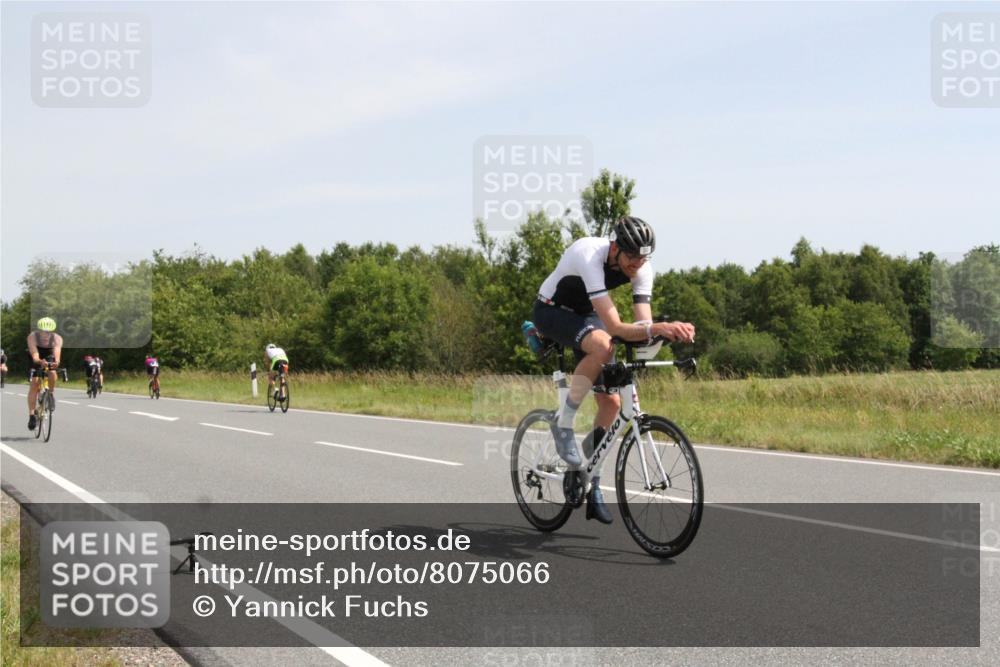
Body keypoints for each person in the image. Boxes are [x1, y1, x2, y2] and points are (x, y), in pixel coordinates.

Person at [533, 216, 695, 523]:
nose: (637, 264)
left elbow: (643, 325)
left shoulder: (642, 268)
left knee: (612, 403)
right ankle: (563, 422)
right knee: (604, 346)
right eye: (632, 256)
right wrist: (657, 327)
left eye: (643, 258)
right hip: (552, 310)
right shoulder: (589, 255)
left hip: (585, 315)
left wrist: (669, 332)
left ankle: (591, 481)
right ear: (615, 248)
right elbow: (617, 327)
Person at [26, 317, 64, 430]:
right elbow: (35, 354)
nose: (45, 334)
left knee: (52, 372)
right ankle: (31, 415)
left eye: (48, 332)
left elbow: (57, 353)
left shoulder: (57, 338)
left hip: (49, 355)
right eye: (43, 331)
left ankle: (50, 394)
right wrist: (39, 361)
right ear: (39, 330)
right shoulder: (32, 337)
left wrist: (56, 362)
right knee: (34, 384)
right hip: (36, 358)